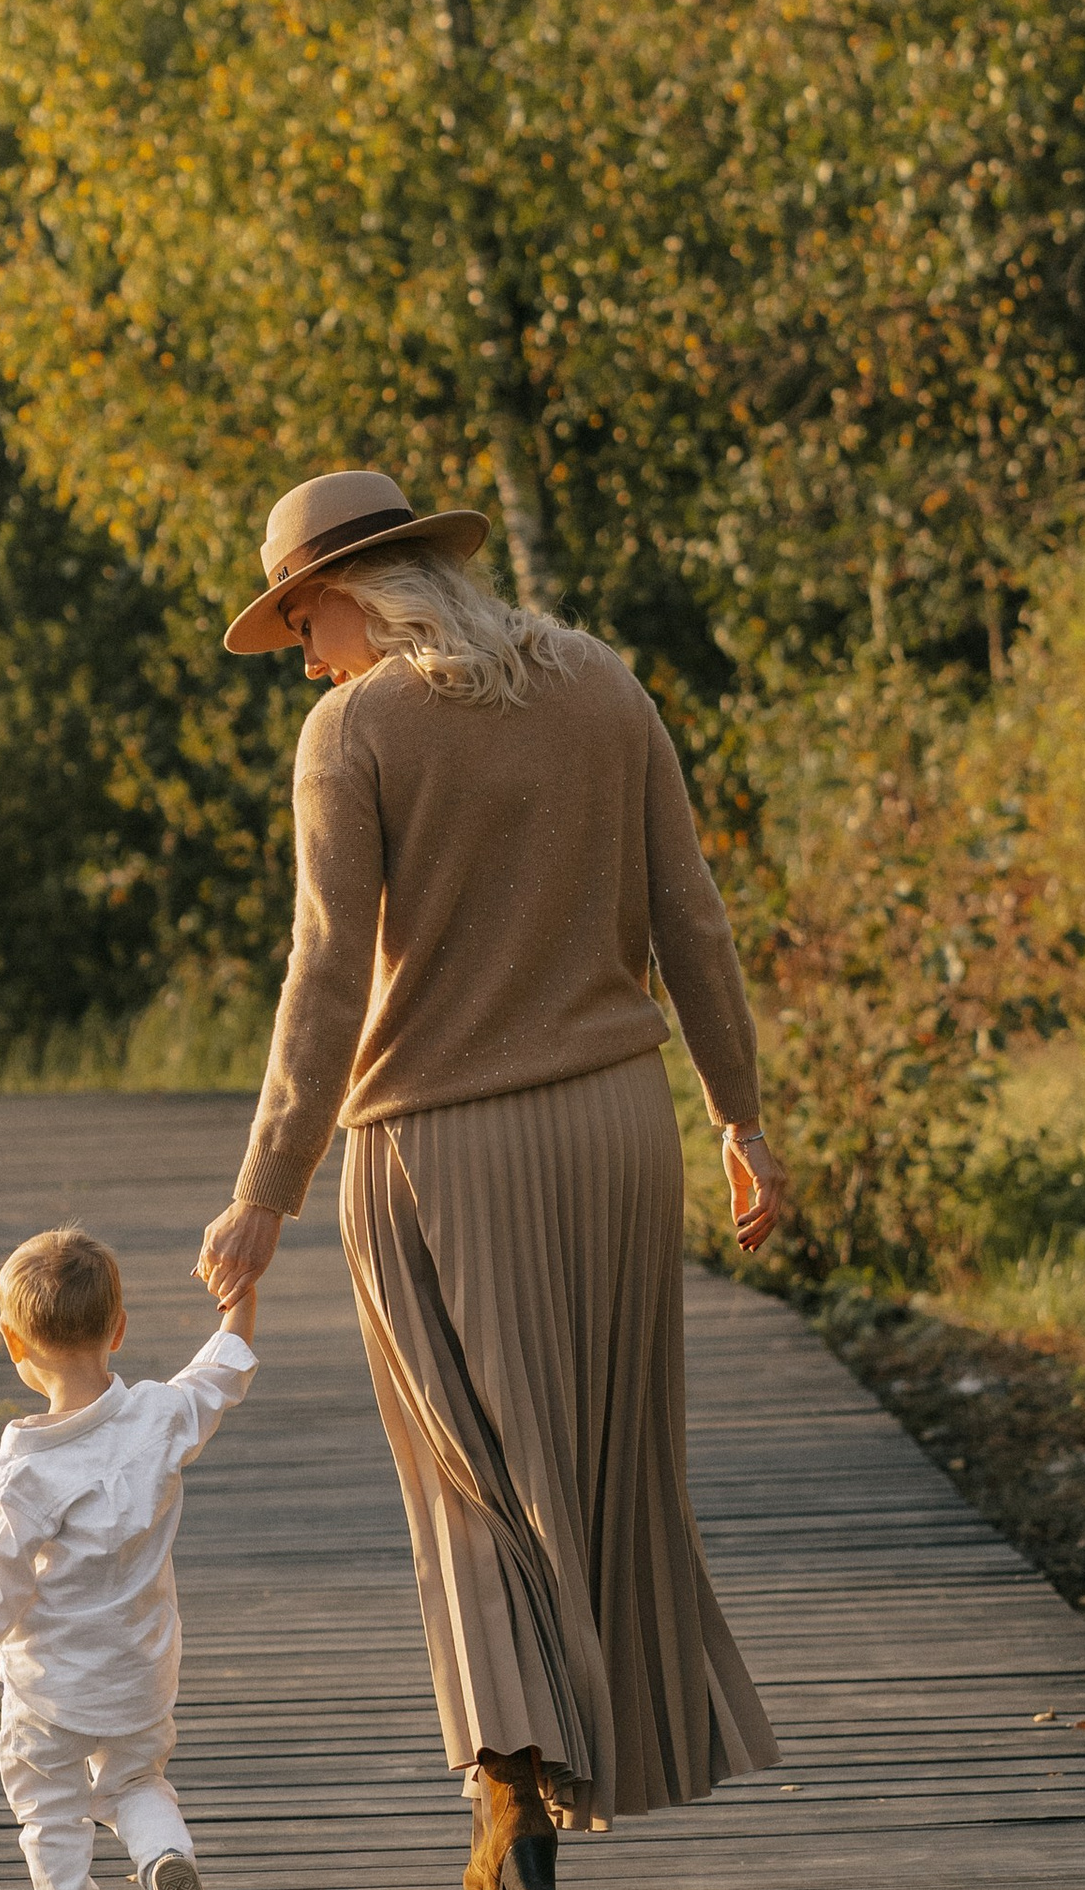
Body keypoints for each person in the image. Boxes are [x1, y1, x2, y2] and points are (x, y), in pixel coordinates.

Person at [193, 469, 789, 1890]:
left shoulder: (356, 734)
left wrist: (265, 1185)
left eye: (302, 628)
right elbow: (690, 915)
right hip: (615, 1138)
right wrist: (741, 1117)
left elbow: (328, 975)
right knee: (593, 1473)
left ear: (347, 594)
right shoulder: (601, 683)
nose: (306, 663)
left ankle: (511, 1795)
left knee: (472, 1488)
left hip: (433, 1154)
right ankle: (554, 1769)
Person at [0, 1225, 256, 1890]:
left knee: (50, 1811)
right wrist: (241, 1295)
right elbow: (219, 1373)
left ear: (12, 1342)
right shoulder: (158, 1418)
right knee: (135, 1781)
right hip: (140, 1678)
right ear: (119, 1329)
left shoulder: (20, 1477)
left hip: (51, 1695)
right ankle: (165, 1855)